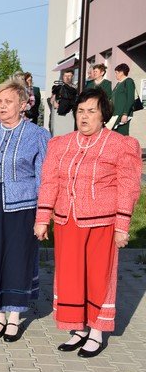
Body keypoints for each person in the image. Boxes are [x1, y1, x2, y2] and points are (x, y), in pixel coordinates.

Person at [34, 88, 141, 358]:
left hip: (101, 222)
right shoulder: (60, 144)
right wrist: (42, 218)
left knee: (98, 276)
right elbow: (50, 182)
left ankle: (96, 331)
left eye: (91, 111)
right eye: (80, 111)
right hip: (67, 220)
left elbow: (128, 187)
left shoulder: (120, 144)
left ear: (103, 114)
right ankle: (78, 328)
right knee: (70, 275)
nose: (84, 116)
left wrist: (122, 225)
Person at [0, 78, 50, 343]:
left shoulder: (37, 135)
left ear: (23, 104)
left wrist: (43, 216)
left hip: (22, 207)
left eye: (9, 101)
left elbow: (44, 178)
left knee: (17, 260)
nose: (2, 106)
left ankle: (14, 316)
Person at [111, 63, 137, 135]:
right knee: (114, 135)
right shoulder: (118, 84)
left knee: (122, 135)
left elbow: (130, 99)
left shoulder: (128, 81)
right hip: (115, 114)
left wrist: (125, 114)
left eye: (116, 73)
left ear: (121, 72)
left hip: (123, 114)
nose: (115, 75)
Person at [50, 69, 78, 136]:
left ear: (72, 77)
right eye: (65, 76)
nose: (67, 78)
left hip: (70, 115)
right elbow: (51, 99)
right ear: (63, 77)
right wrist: (54, 103)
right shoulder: (58, 87)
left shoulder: (76, 88)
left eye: (69, 76)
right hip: (58, 115)